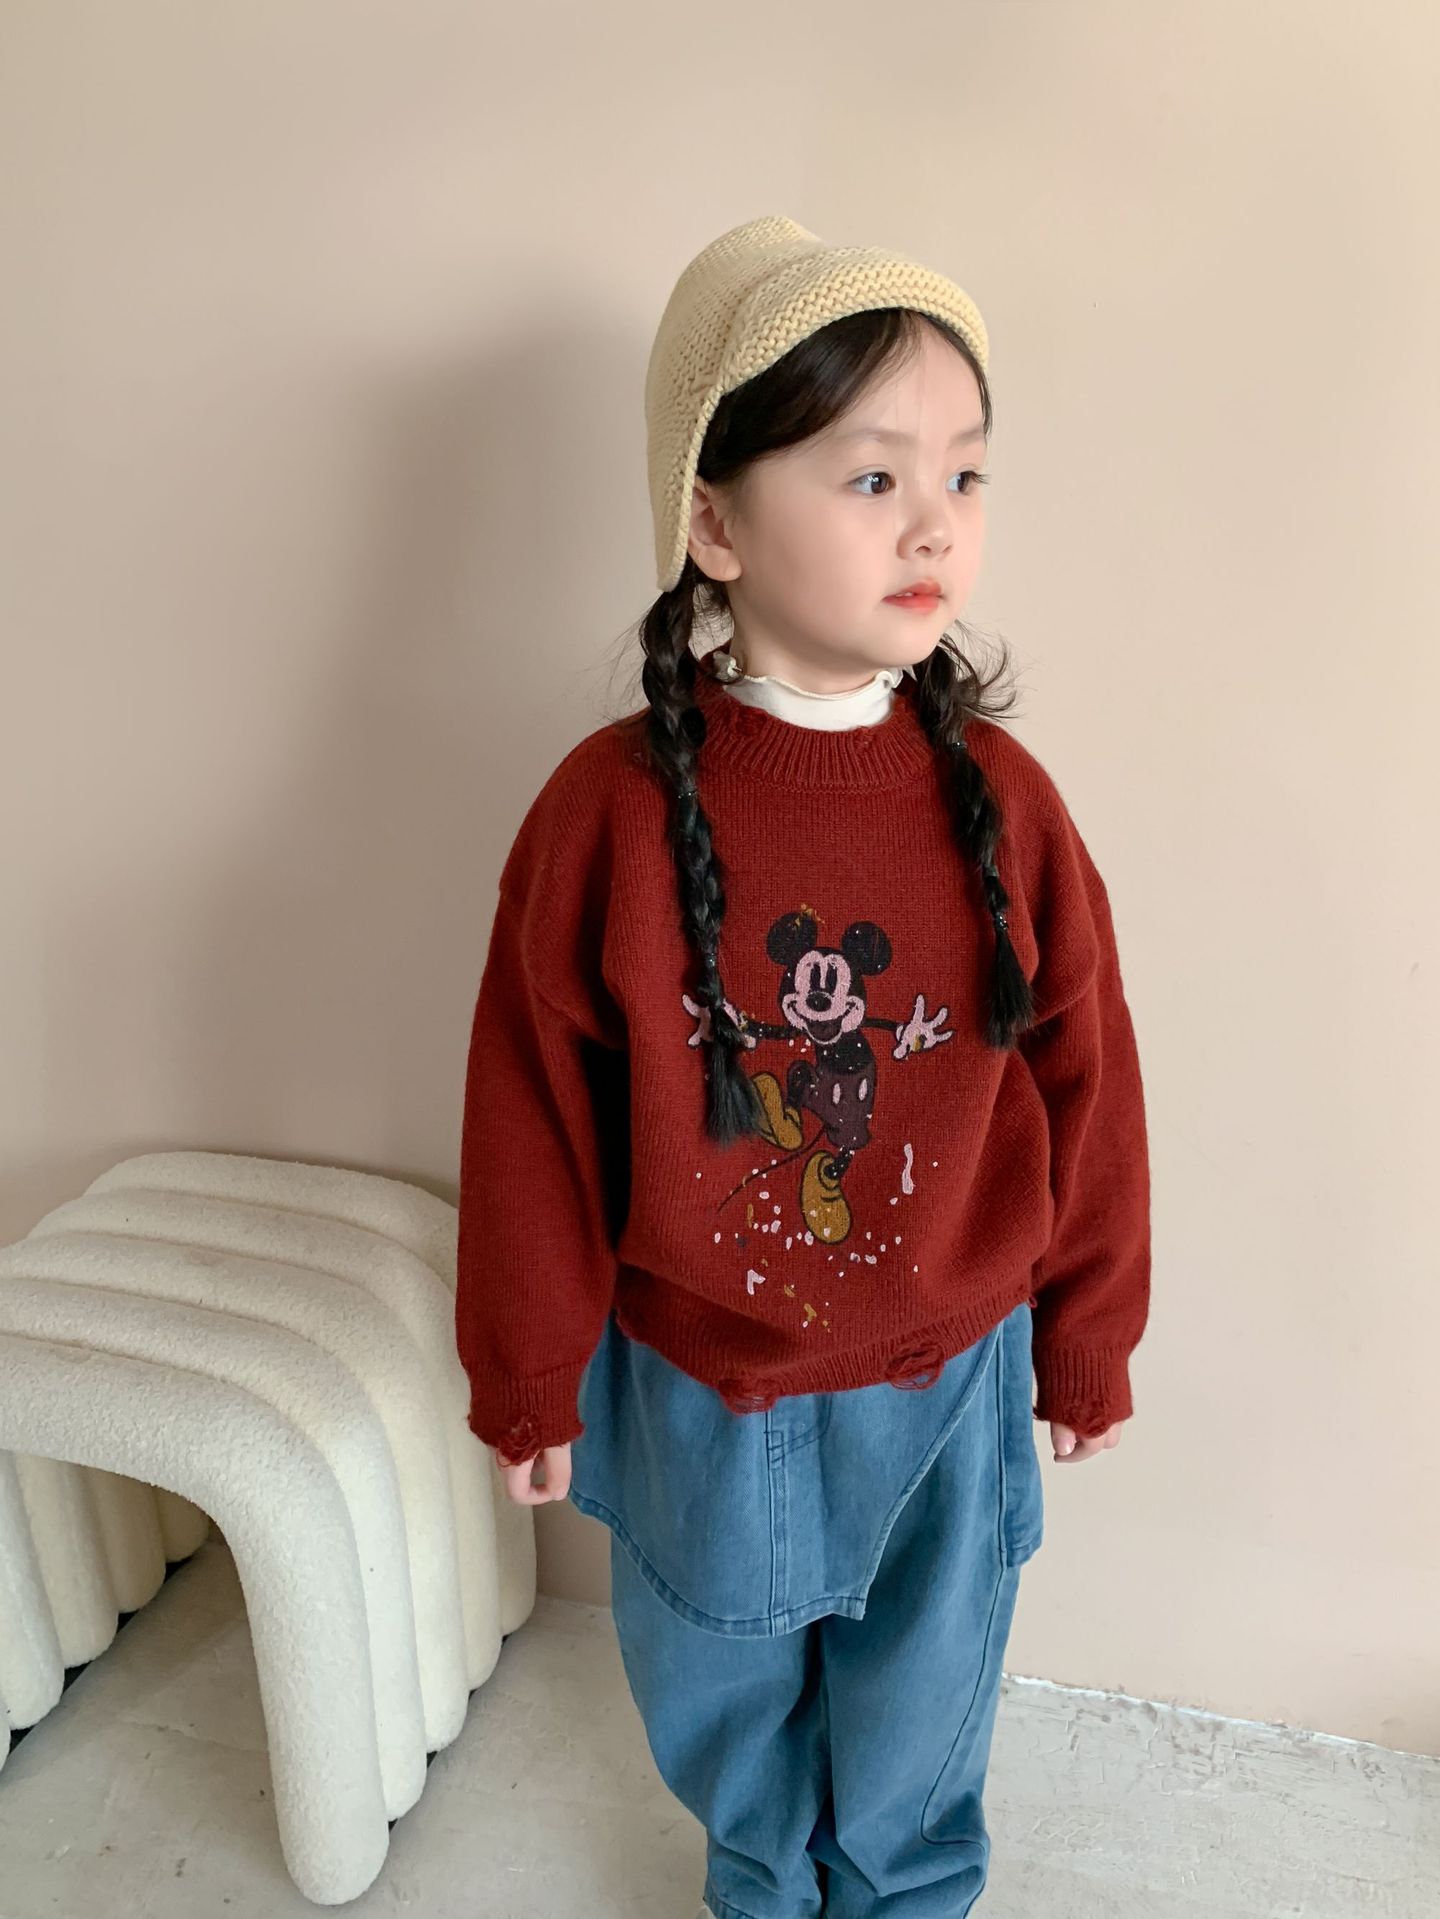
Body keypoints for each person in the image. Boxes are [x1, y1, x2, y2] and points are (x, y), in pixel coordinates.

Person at [455, 213, 1152, 1918]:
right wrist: (528, 1367)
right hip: (703, 1384)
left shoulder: (1007, 804)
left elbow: (1087, 1076)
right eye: (872, 477)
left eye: (965, 475)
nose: (935, 524)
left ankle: (901, 1898)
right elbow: (533, 1109)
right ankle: (762, 1888)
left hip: (952, 1370)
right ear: (715, 522)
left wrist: (1088, 1326)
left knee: (927, 1691)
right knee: (717, 1684)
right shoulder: (607, 814)